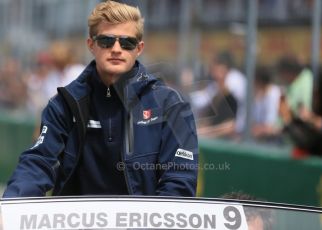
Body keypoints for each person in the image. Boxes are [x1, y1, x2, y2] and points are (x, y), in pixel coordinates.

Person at [3, 0, 198, 198]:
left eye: (127, 42)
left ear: (139, 49)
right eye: (106, 41)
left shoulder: (170, 105)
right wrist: (11, 206)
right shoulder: (64, 104)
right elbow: (38, 163)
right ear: (91, 45)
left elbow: (179, 182)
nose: (116, 48)